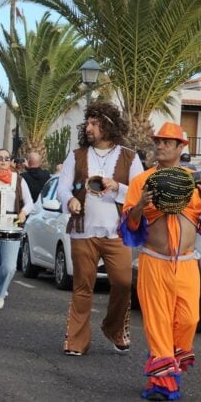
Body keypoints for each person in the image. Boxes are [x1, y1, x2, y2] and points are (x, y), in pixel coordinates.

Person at [120, 122, 201, 401]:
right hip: (154, 262)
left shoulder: (199, 181)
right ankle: (163, 385)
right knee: (158, 322)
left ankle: (163, 363)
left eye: (168, 142)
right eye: (158, 141)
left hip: (187, 264)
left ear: (182, 147)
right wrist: (142, 206)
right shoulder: (141, 181)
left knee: (188, 320)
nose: (160, 145)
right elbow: (129, 225)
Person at [57, 101, 144, 356]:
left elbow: (139, 193)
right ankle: (76, 341)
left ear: (109, 126)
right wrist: (69, 199)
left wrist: (116, 186)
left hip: (117, 232)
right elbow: (63, 187)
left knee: (123, 282)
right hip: (83, 230)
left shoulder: (129, 156)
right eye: (89, 123)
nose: (89, 129)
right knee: (82, 286)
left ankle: (114, 328)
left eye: (96, 124)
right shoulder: (77, 155)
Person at [0, 148, 35, 312]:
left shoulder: (19, 180)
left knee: (9, 267)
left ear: (10, 161)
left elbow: (30, 202)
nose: (3, 161)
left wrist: (24, 212)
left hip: (12, 225)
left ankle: (0, 294)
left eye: (6, 158)